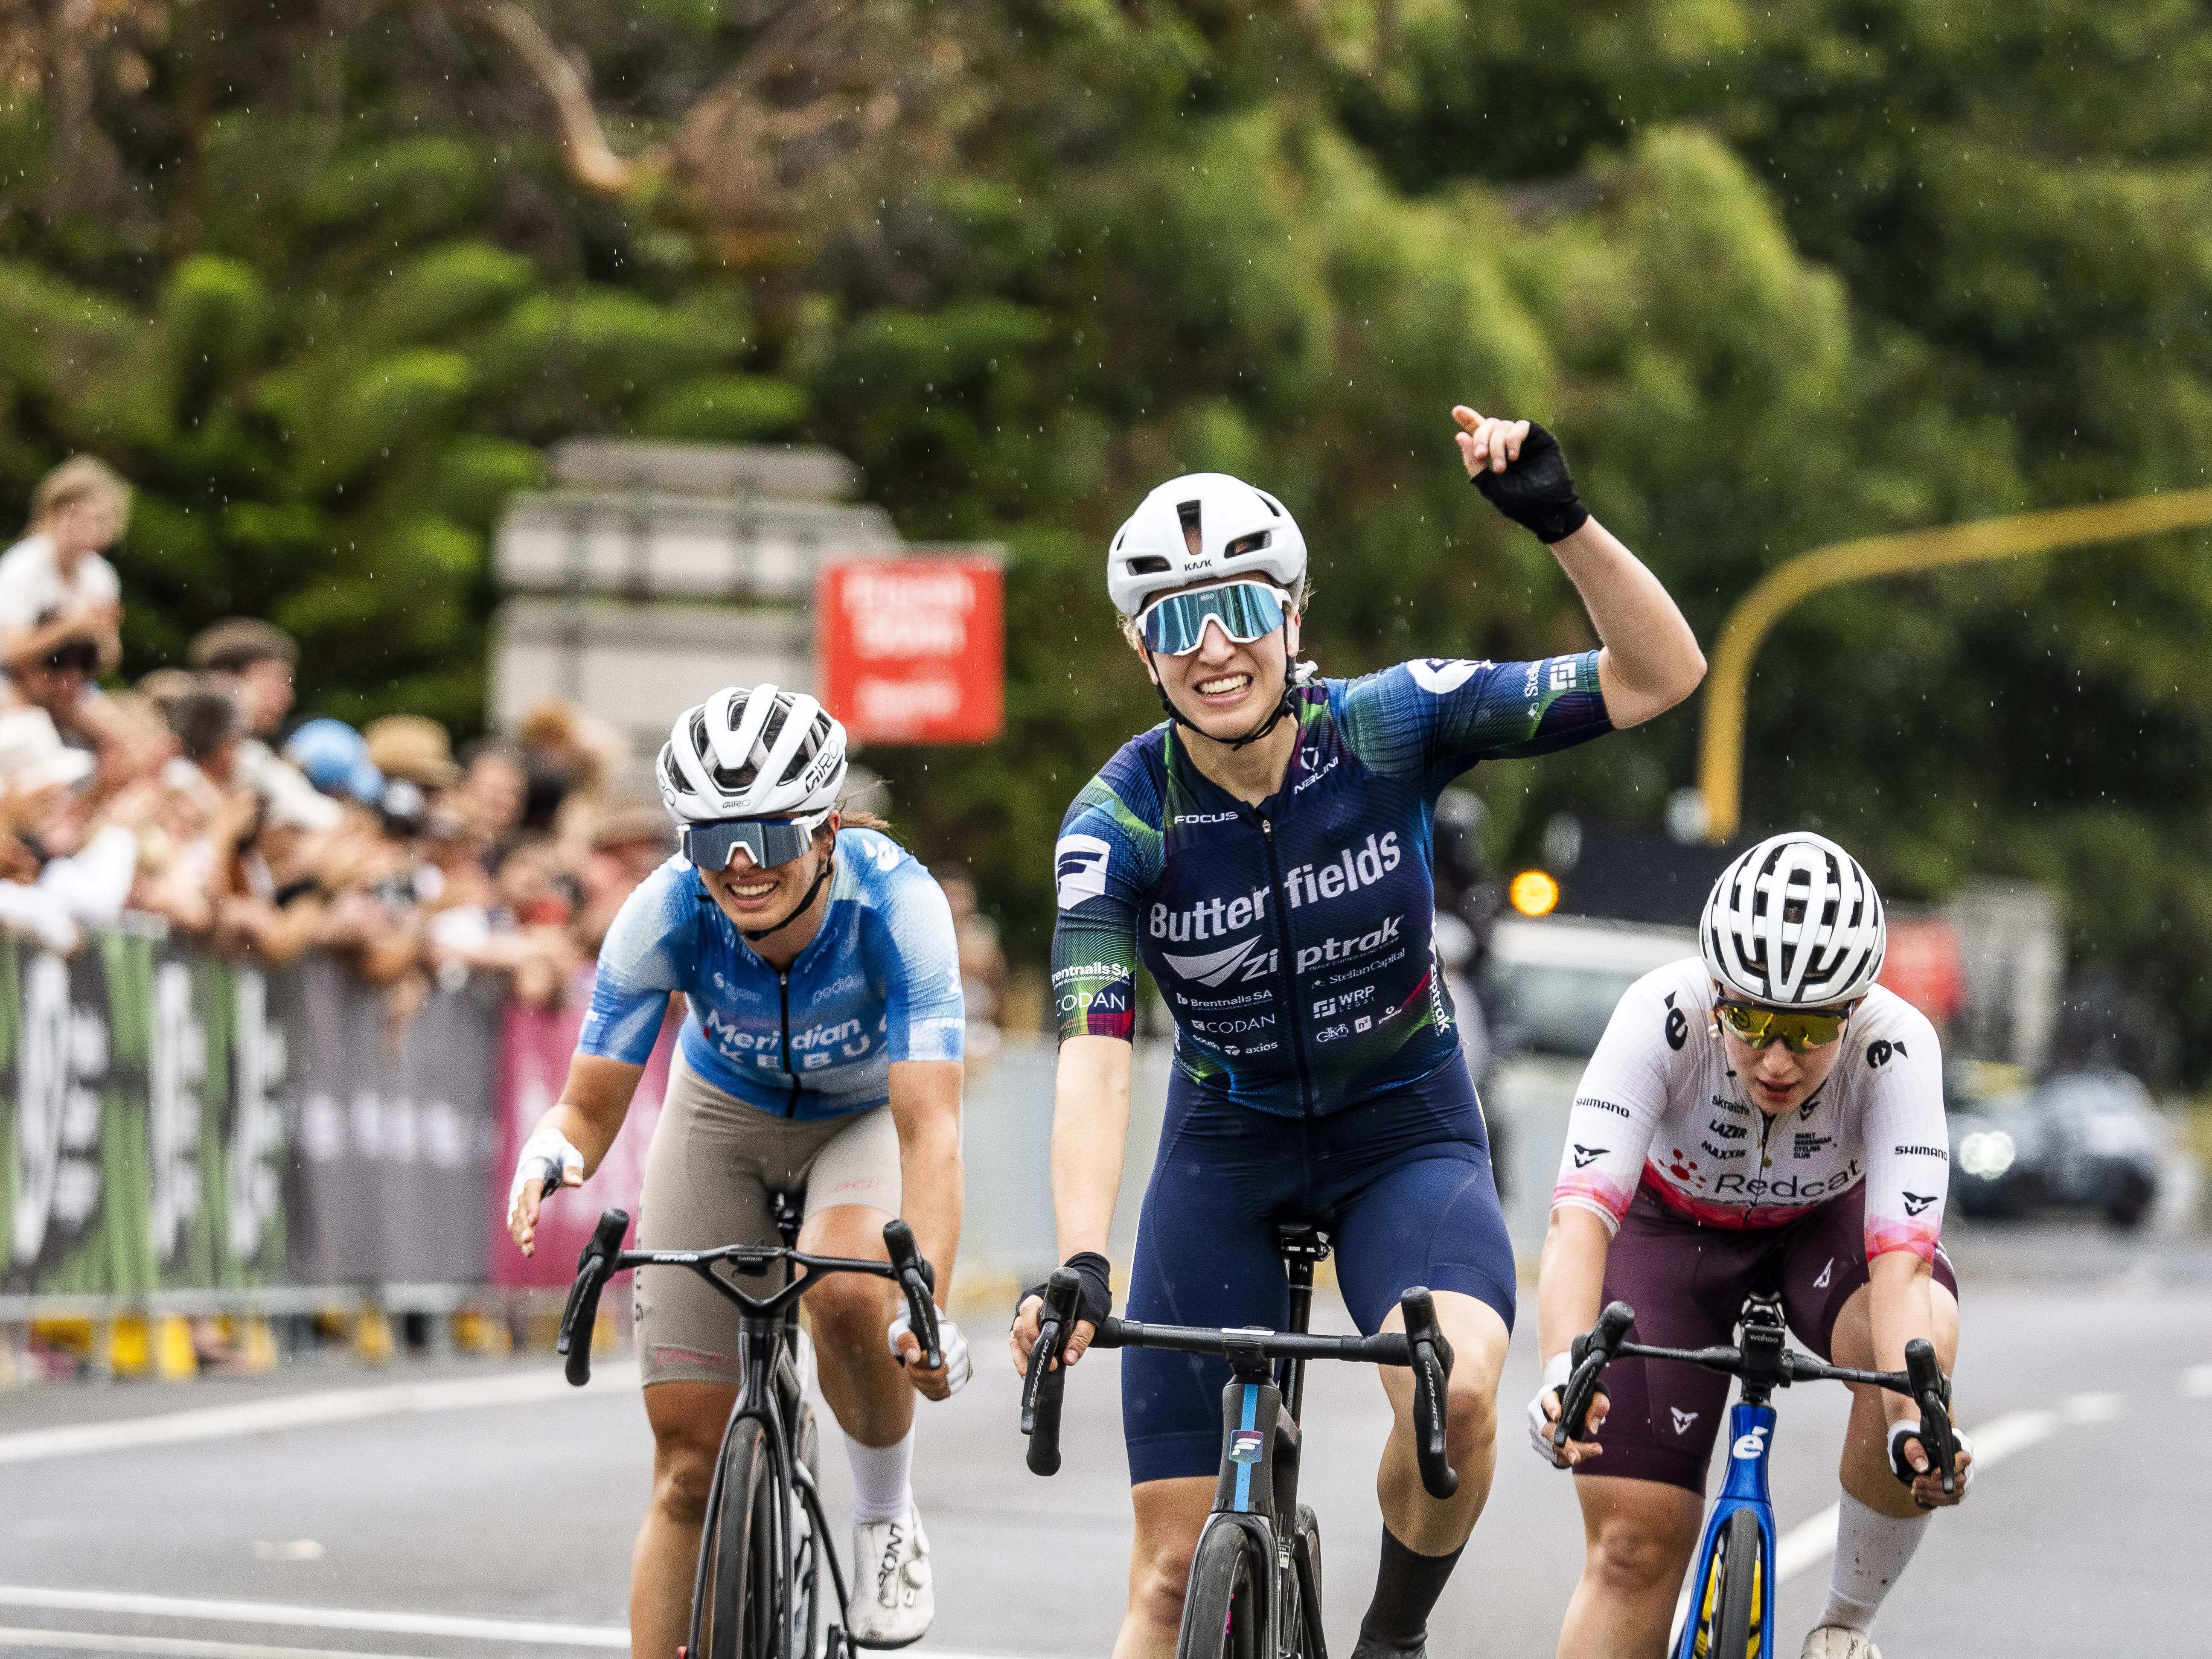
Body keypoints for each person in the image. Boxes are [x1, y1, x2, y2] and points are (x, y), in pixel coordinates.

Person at [1011, 408, 1706, 1659]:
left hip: (1405, 1133)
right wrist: (1079, 1259)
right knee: (1170, 1581)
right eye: (1174, 621)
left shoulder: (1391, 724)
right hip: (1227, 1146)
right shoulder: (1117, 824)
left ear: (1294, 614)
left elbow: (1661, 675)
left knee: (1461, 1388)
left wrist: (1563, 523)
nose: (1212, 648)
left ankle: (1390, 1635)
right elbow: (1097, 1053)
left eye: (1240, 609)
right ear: (1139, 649)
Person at [504, 684, 969, 1656]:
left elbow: (931, 1131)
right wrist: (554, 1147)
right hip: (722, 1115)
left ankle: (884, 1513)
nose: (742, 865)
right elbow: (590, 1104)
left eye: (768, 833)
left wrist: (922, 1306)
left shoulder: (898, 902)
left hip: (861, 1118)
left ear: (828, 827)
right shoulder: (665, 909)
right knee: (686, 1468)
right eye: (712, 840)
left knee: (846, 1293)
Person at [1530, 832, 1974, 1659]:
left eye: (1808, 1031)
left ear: (1854, 1010)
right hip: (1672, 1234)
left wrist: (1915, 1420)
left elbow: (1903, 1264)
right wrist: (1563, 1366)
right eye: (1754, 1020)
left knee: (1920, 1351)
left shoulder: (1897, 1044)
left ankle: (1845, 1626)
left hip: (1820, 1233)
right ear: (1715, 998)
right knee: (1633, 1547)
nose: (1778, 1059)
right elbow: (1580, 1217)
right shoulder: (1658, 1015)